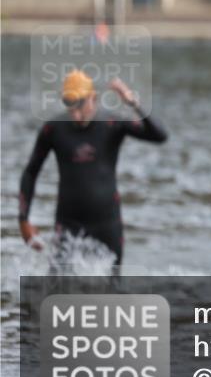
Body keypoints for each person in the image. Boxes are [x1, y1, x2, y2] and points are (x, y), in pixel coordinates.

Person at [18, 71, 168, 268]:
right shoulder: (53, 129)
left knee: (111, 291)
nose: (75, 113)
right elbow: (31, 172)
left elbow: (159, 135)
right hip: (68, 223)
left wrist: (132, 102)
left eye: (80, 105)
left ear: (93, 98)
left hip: (107, 224)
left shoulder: (113, 123)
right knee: (58, 291)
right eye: (70, 106)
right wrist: (23, 221)